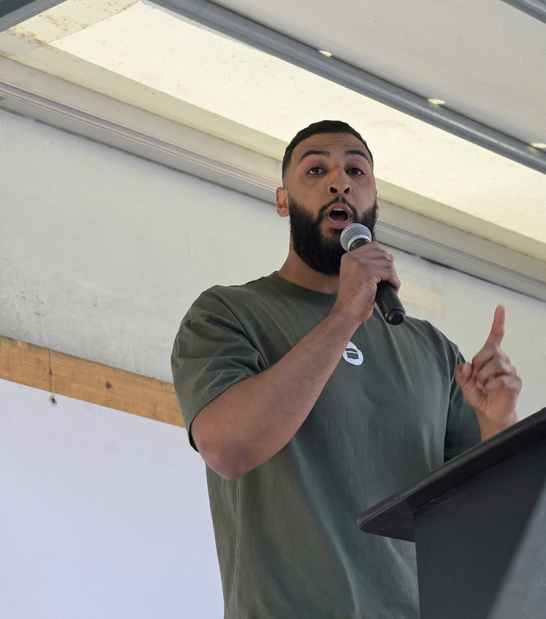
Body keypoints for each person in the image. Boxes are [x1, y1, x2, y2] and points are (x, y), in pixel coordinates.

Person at [170, 120, 521, 617]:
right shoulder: (227, 313)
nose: (340, 182)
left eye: (357, 170)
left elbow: (486, 525)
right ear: (283, 201)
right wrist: (345, 316)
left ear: (373, 204)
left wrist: (497, 423)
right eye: (316, 169)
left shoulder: (433, 350)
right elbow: (229, 447)